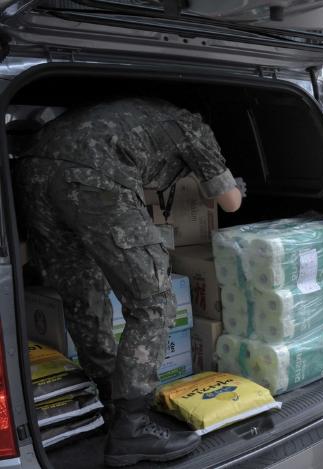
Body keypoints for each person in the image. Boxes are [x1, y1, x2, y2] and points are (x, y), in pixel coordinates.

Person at [14, 96, 244, 466]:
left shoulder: (140, 116)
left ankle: (111, 401)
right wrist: (232, 183)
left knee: (81, 296)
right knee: (152, 301)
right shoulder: (196, 128)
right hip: (93, 174)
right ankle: (132, 426)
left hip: (32, 168)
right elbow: (229, 202)